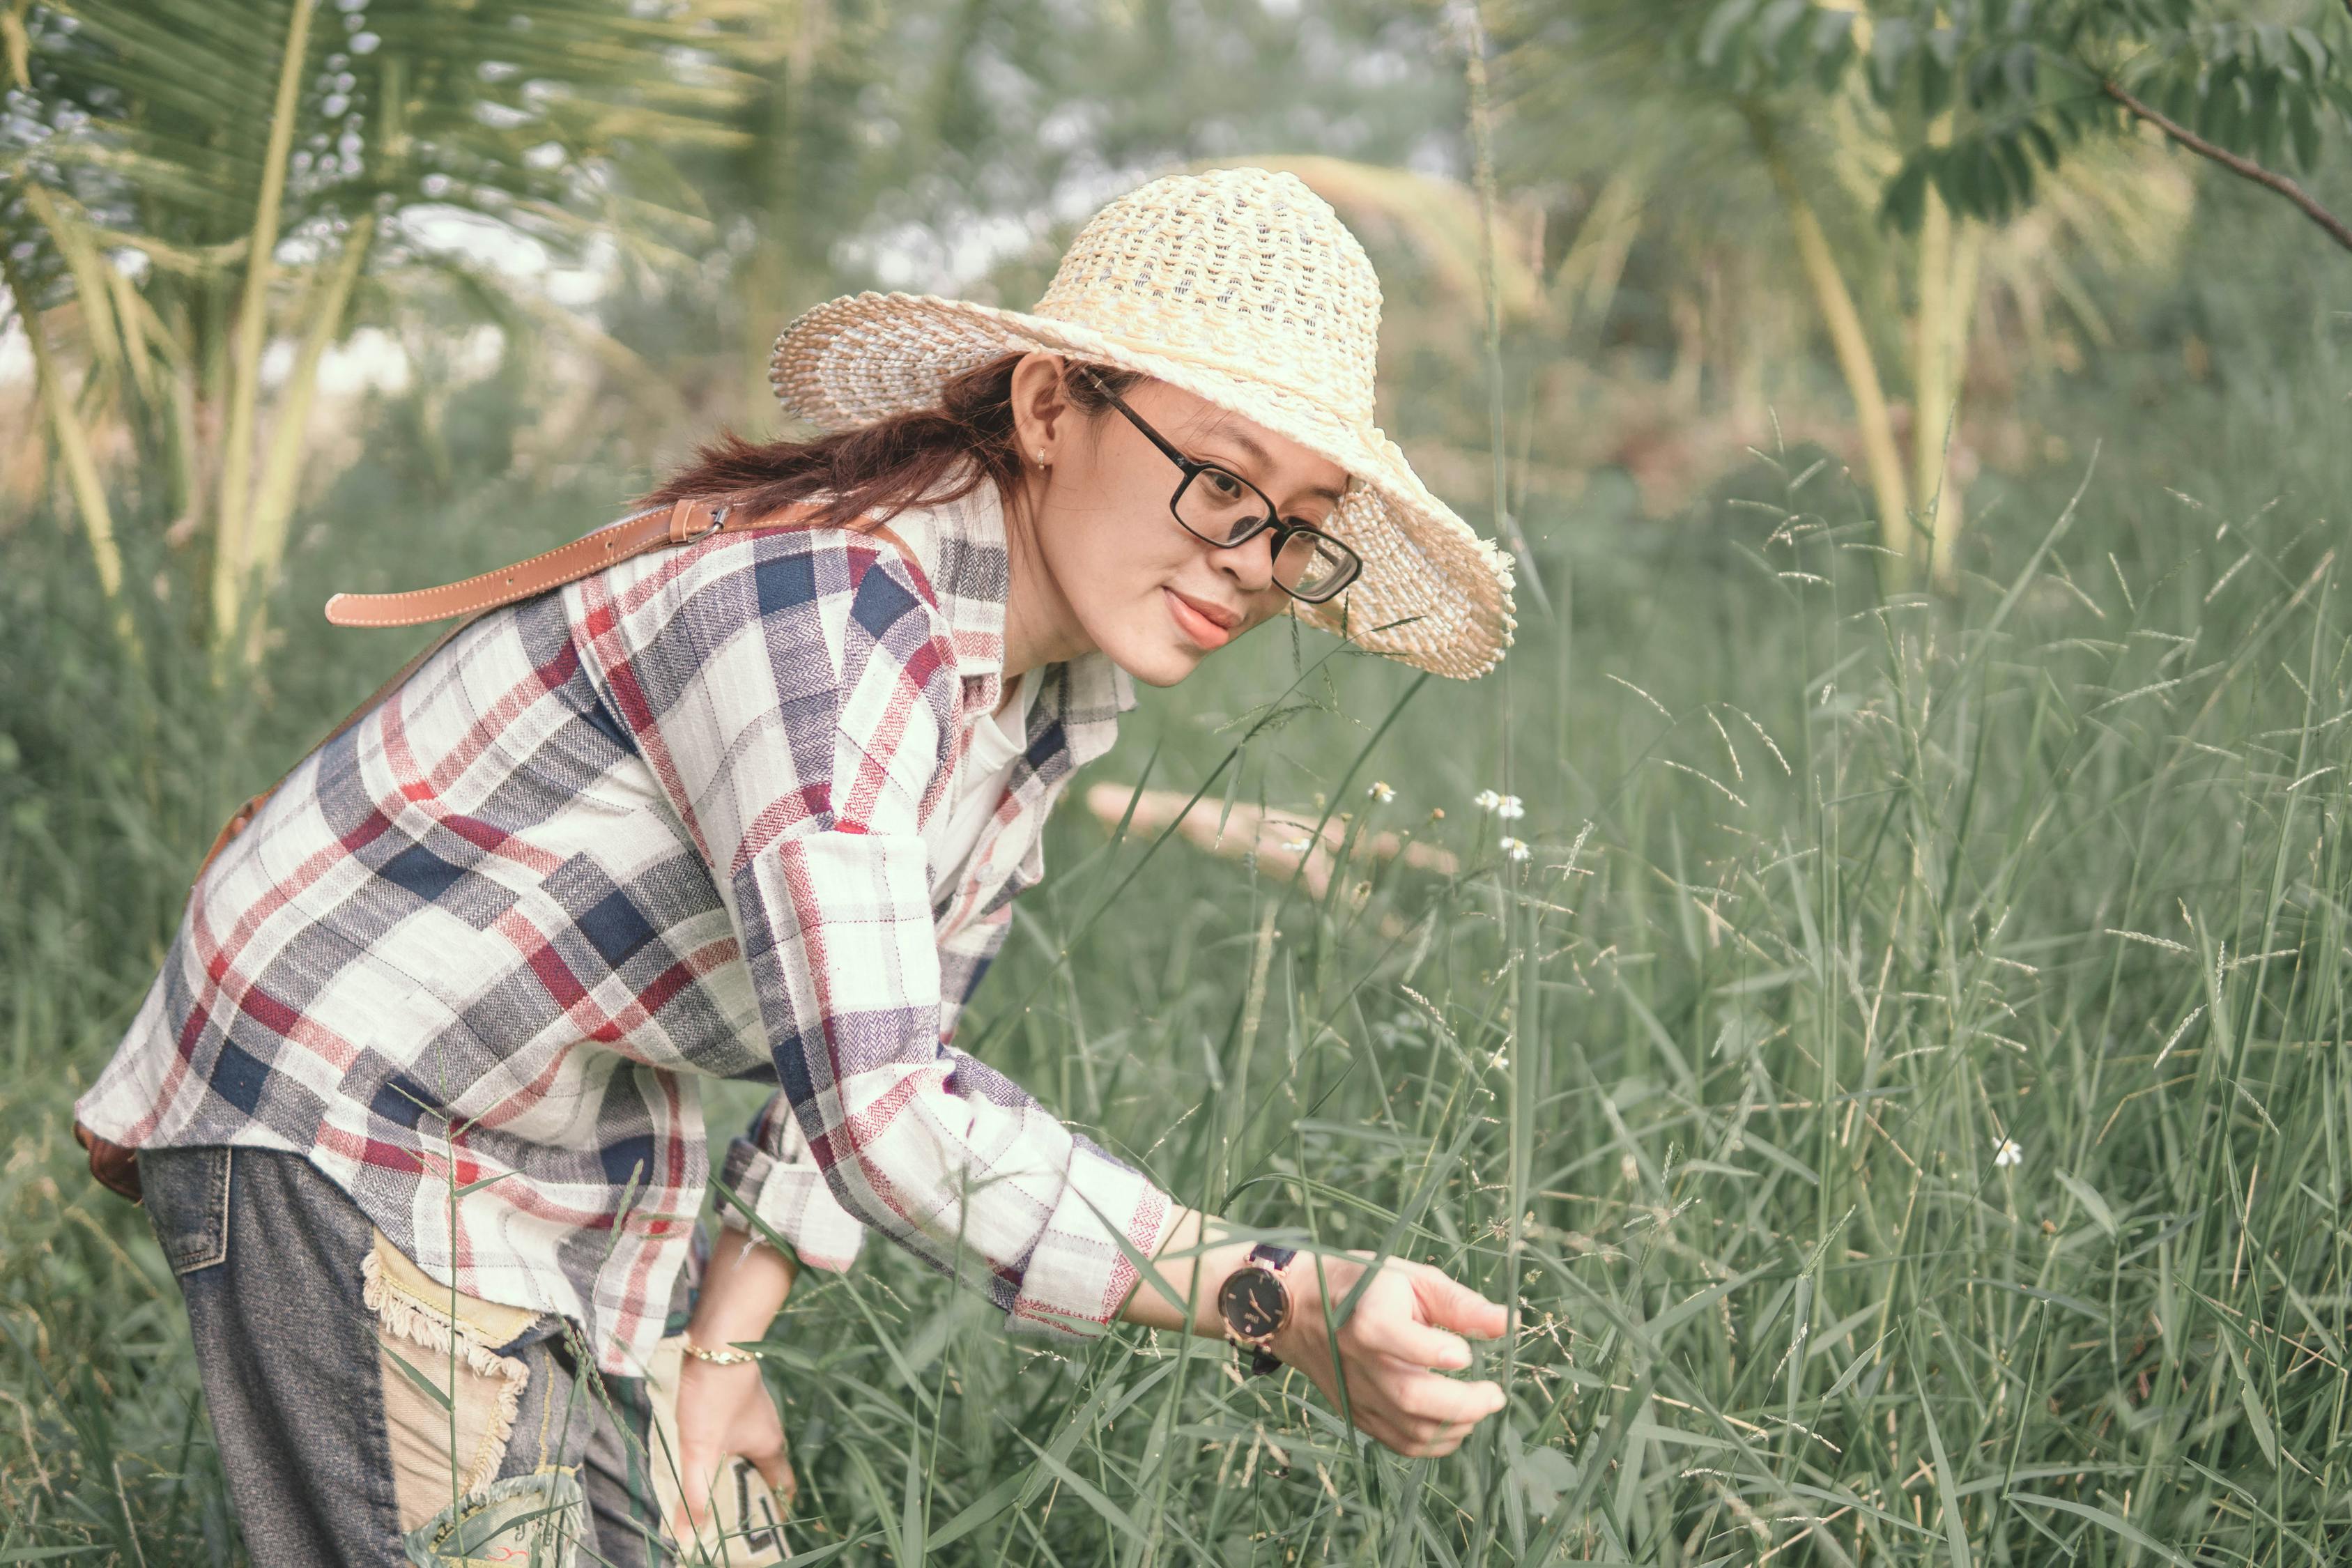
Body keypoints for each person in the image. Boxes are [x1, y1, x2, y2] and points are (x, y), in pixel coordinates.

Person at [73, 165, 1519, 1566]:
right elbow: (888, 1114)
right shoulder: (830, 624)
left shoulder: (1046, 691)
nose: (1248, 563)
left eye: (1297, 530)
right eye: (1219, 484)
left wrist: (721, 1354)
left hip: (556, 1128)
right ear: (1047, 409)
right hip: (352, 1095)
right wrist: (1266, 1294)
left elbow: (896, 1036)